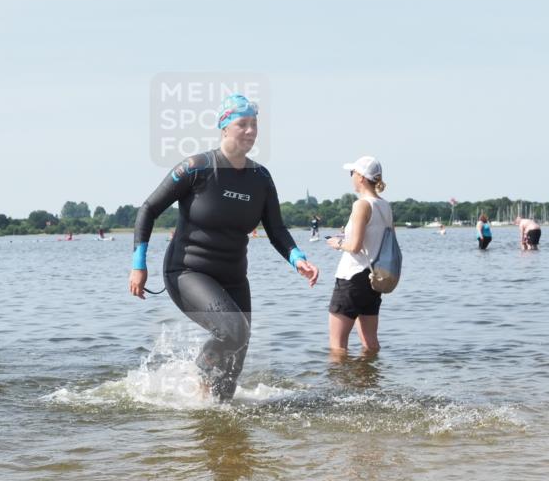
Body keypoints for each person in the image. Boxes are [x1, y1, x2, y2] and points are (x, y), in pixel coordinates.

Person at [128, 94, 319, 400]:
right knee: (235, 332)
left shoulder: (260, 178)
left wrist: (298, 259)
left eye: (254, 124)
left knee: (232, 368)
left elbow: (276, 229)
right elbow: (148, 209)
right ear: (224, 127)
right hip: (188, 272)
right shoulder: (197, 168)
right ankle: (199, 371)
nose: (250, 131)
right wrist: (139, 265)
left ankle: (217, 422)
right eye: (242, 124)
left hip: (234, 278)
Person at [327, 156, 392, 354]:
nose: (351, 177)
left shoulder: (361, 205)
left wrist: (337, 243)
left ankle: (339, 377)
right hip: (373, 278)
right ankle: (371, 373)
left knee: (338, 346)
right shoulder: (385, 205)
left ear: (361, 177)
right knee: (370, 343)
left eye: (352, 173)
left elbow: (355, 246)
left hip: (352, 278)